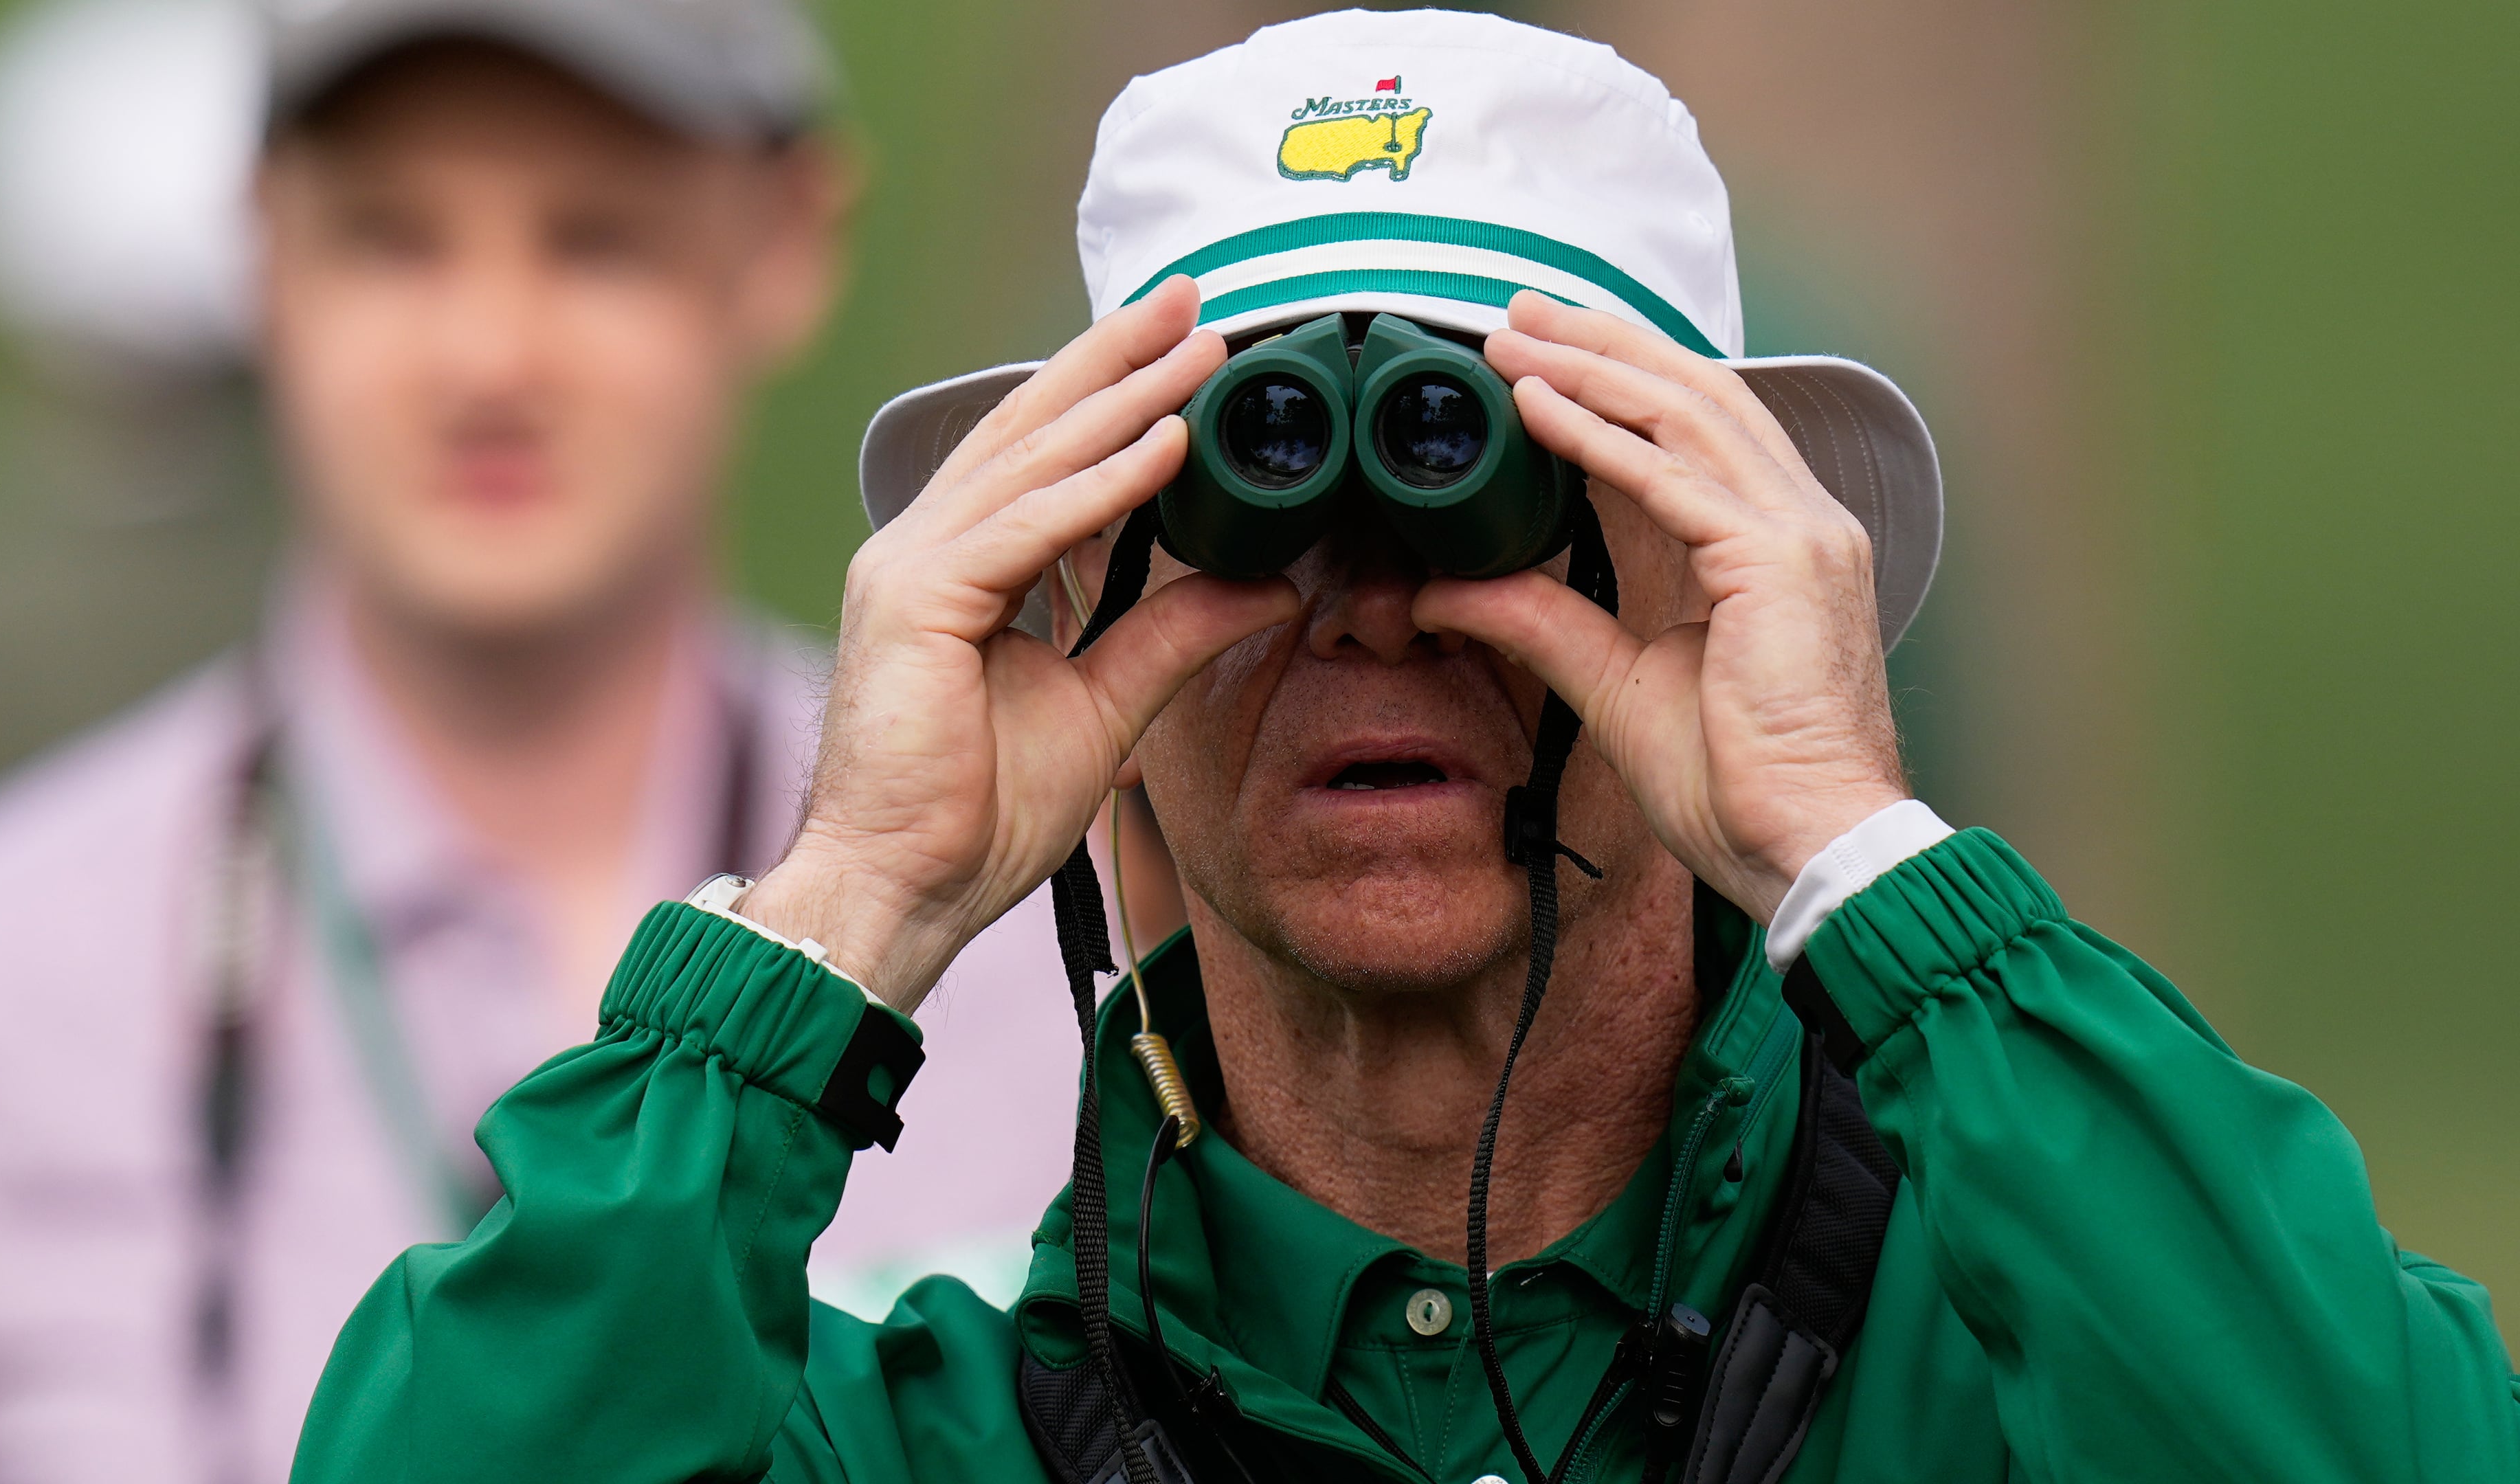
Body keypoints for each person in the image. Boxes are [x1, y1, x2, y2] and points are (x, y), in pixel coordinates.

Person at [294, 9, 2520, 1482]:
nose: (1371, 594)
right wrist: (844, 911)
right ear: (1078, 584)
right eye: (1243, 480)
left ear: (1713, 551)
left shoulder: (2032, 1374)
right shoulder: (920, 1430)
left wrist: (1859, 850)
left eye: (1496, 465)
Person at [0, 1, 1083, 1479]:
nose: (489, 358)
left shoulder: (1077, 933)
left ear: (786, 238)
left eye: (595, 238)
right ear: (259, 248)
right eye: (393, 237)